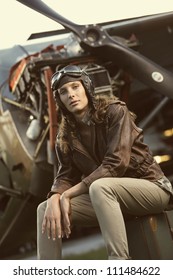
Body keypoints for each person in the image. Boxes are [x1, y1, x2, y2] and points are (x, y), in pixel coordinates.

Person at [37, 64, 173, 260]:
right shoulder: (65, 135)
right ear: (60, 100)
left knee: (100, 187)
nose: (71, 95)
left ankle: (118, 264)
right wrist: (54, 197)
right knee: (45, 209)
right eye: (63, 92)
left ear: (86, 88)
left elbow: (116, 164)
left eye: (75, 87)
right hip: (109, 200)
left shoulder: (115, 111)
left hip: (152, 189)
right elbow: (66, 175)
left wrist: (68, 194)